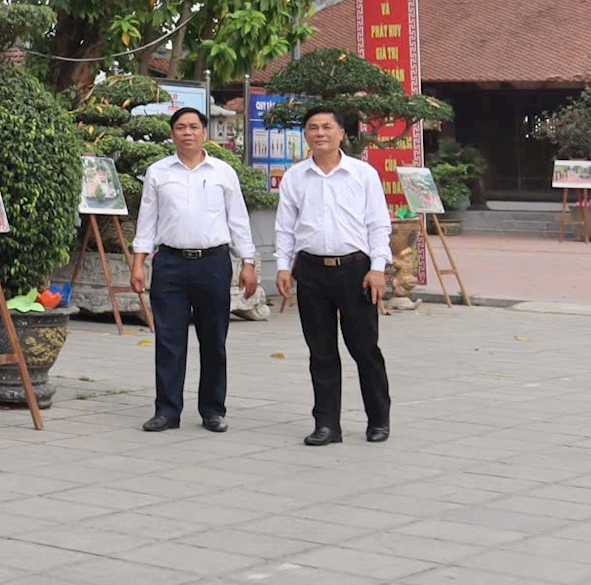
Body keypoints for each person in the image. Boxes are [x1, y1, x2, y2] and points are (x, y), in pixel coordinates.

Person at [129, 106, 258, 433]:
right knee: (169, 340)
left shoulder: (223, 173)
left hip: (213, 263)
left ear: (204, 132)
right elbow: (147, 221)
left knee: (213, 339)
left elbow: (238, 220)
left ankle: (213, 410)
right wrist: (138, 263)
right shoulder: (158, 172)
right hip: (170, 264)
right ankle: (167, 410)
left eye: (193, 127)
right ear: (172, 133)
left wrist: (248, 262)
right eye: (181, 127)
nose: (187, 132)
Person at [274, 108, 393, 444]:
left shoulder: (362, 174)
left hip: (356, 270)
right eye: (313, 128)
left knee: (364, 348)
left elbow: (378, 223)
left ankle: (378, 419)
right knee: (321, 351)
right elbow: (285, 226)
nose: (320, 133)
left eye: (327, 127)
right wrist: (283, 266)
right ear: (305, 135)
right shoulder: (295, 177)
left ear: (342, 133)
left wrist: (377, 268)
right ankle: (326, 424)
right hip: (311, 270)